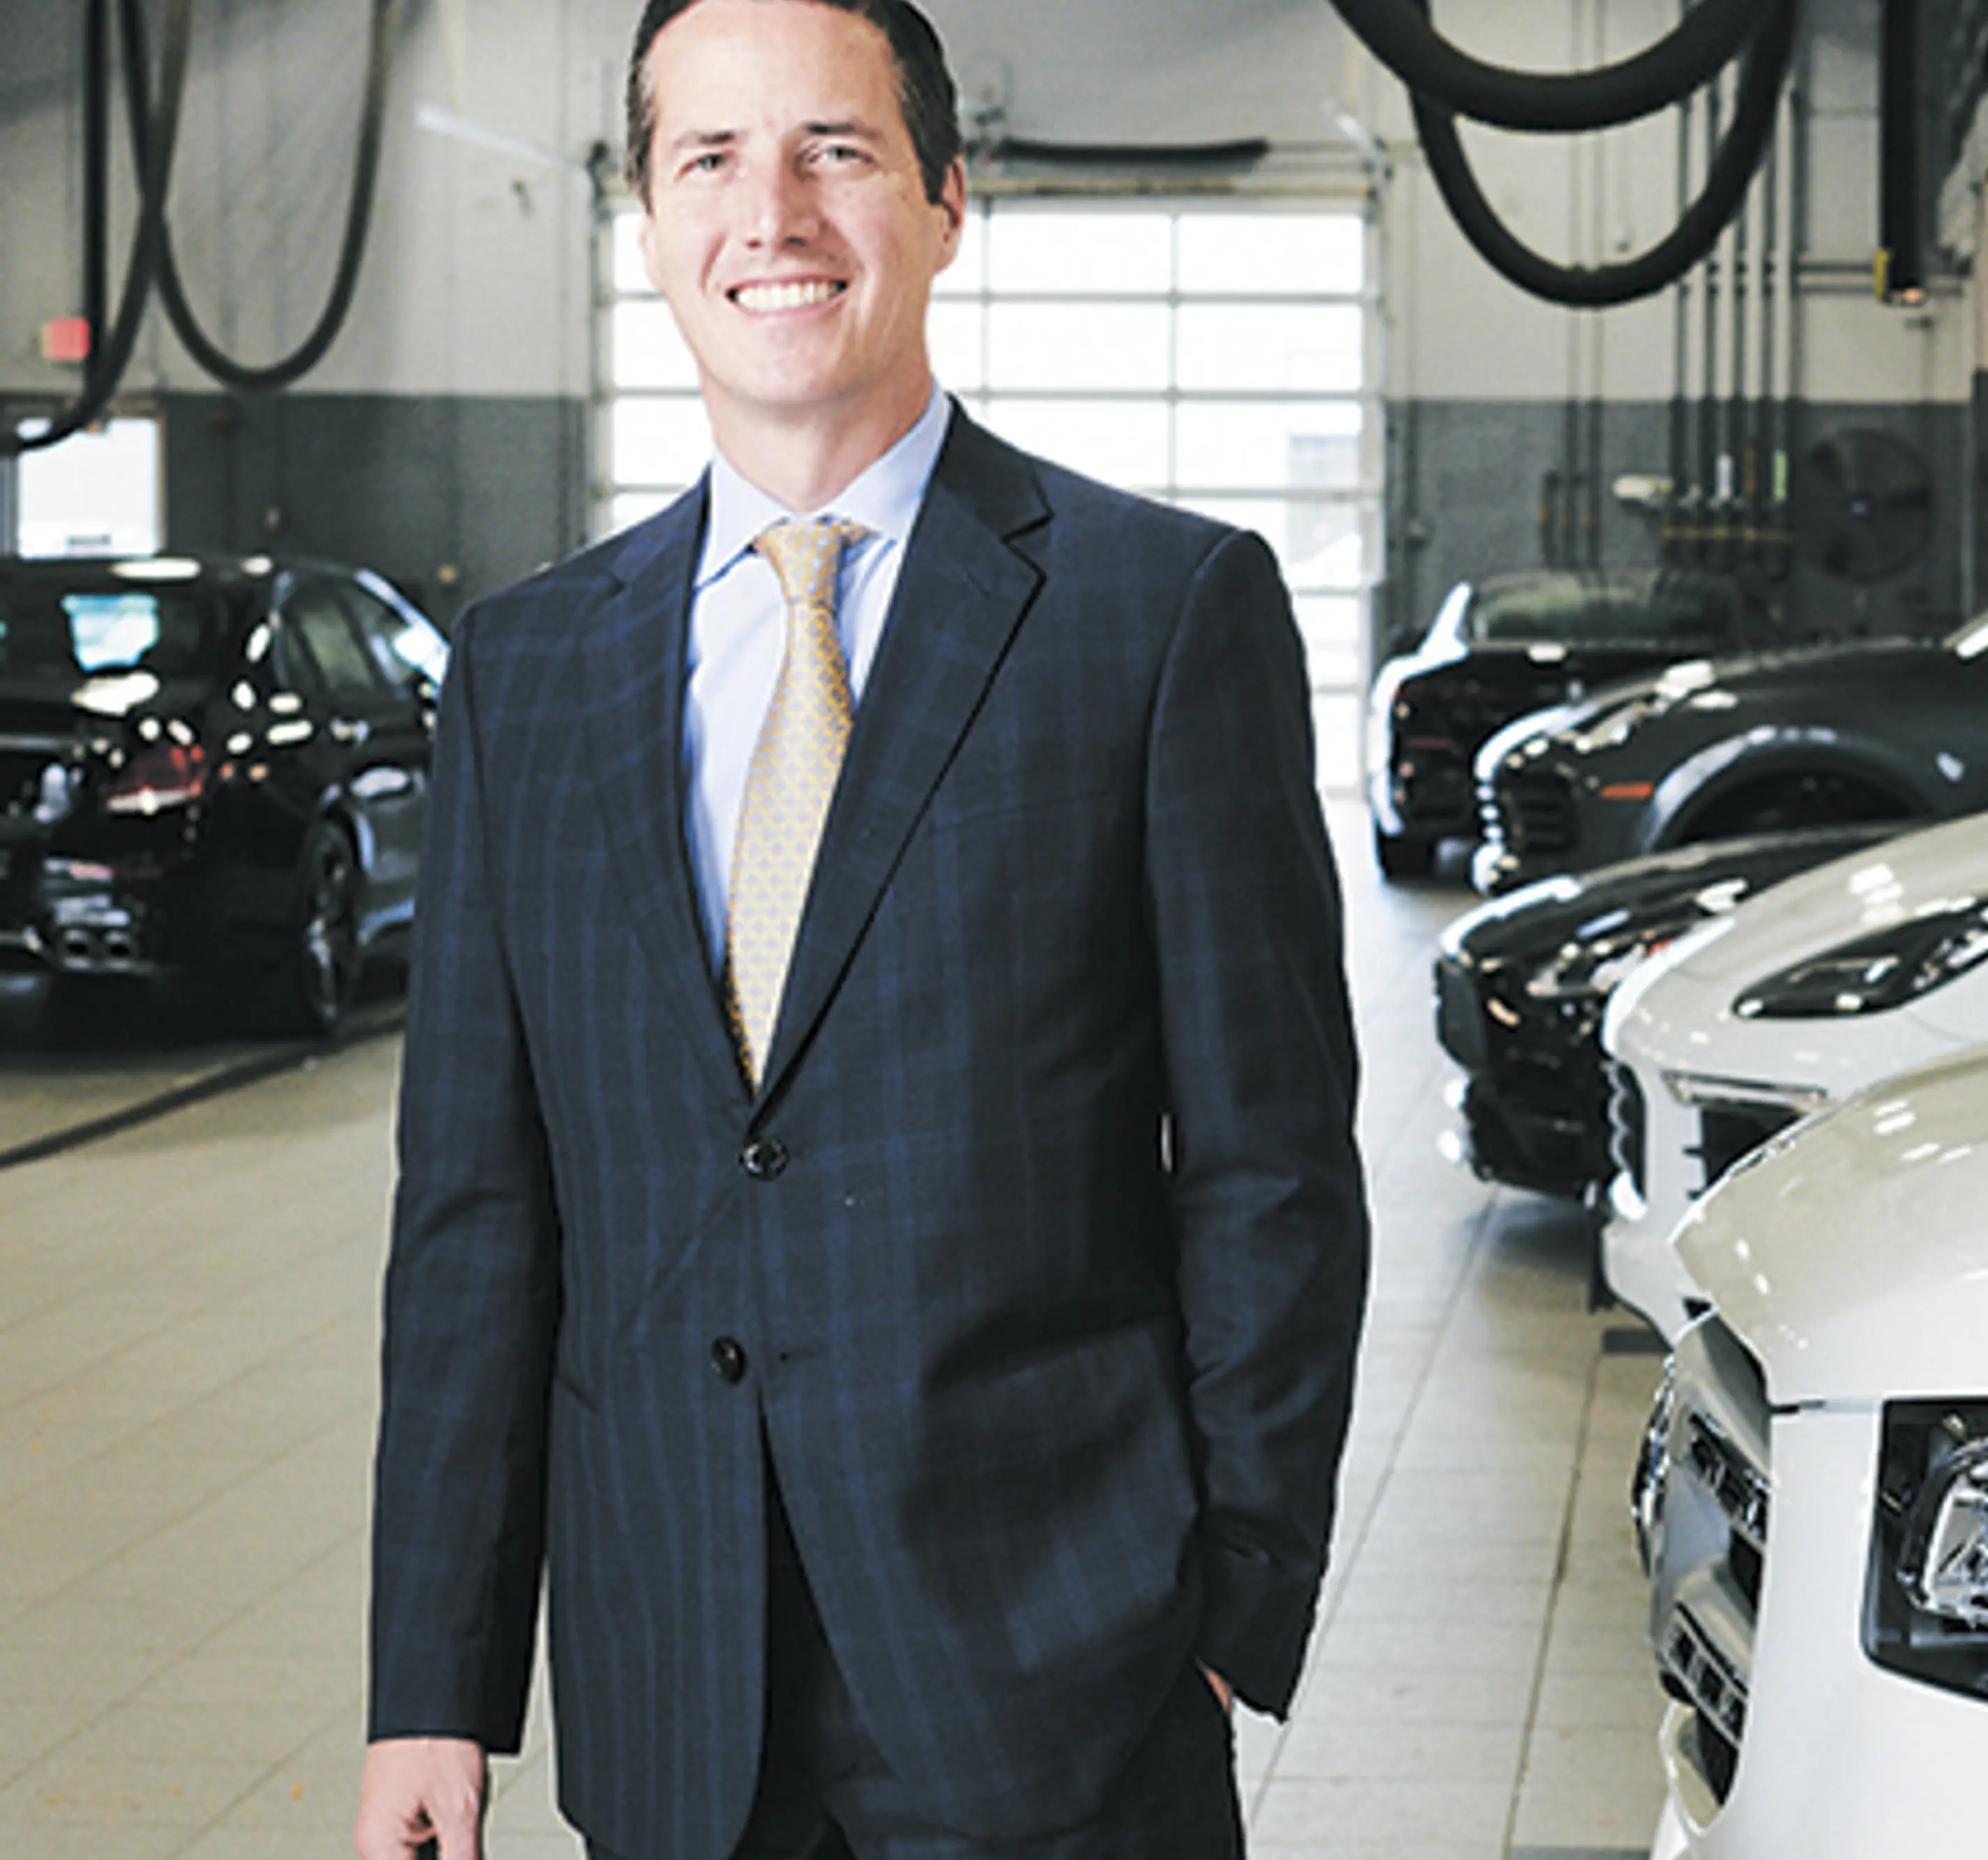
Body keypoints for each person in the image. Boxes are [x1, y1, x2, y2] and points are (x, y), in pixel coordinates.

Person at [351, 1, 1367, 1854]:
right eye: (709, 160)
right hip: (674, 1694)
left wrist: (1233, 1605)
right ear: (648, 220)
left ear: (947, 198)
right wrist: (433, 1683)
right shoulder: (528, 671)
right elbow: (477, 1222)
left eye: (835, 149)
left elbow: (1270, 1168)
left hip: (1065, 1680)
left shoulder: (1159, 615)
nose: (774, 216)